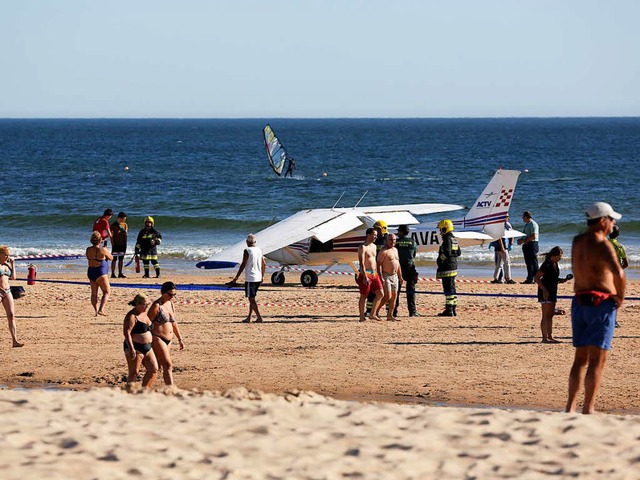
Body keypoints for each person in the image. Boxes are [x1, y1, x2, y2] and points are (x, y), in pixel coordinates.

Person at [566, 202, 625, 414]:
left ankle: (570, 406)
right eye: (611, 220)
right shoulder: (602, 244)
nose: (613, 223)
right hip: (600, 303)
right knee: (597, 362)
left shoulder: (577, 241)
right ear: (602, 221)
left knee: (579, 360)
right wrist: (620, 297)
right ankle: (588, 408)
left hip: (579, 301)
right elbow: (619, 273)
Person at [148, 282, 185, 386]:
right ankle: (171, 389)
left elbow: (173, 322)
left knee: (159, 366)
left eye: (174, 295)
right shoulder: (156, 306)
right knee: (168, 365)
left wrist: (180, 339)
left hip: (168, 339)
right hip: (157, 337)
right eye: (170, 294)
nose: (172, 297)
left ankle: (147, 387)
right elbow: (147, 323)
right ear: (163, 293)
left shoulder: (170, 304)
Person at [534, 246, 571, 343]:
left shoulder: (554, 264)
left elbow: (552, 278)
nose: (560, 259)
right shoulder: (547, 264)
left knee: (550, 315)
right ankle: (544, 337)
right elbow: (537, 278)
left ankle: (549, 336)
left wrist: (562, 280)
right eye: (559, 257)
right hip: (545, 291)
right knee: (545, 315)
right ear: (553, 255)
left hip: (553, 290)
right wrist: (544, 290)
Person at [123, 293, 158, 389]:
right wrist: (131, 348)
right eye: (144, 304)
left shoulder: (144, 314)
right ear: (137, 304)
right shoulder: (131, 316)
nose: (147, 306)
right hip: (136, 346)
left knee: (153, 369)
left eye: (148, 304)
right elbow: (127, 333)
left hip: (147, 347)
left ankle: (144, 390)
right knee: (134, 372)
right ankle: (129, 394)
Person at [231, 234, 267, 323]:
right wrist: (262, 275)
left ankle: (259, 317)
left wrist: (236, 277)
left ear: (247, 242)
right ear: (254, 242)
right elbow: (264, 263)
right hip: (258, 277)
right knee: (252, 298)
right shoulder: (258, 250)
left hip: (251, 277)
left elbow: (243, 264)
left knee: (251, 299)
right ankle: (249, 317)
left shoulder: (247, 250)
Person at [357, 227, 384, 322]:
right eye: (374, 235)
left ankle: (372, 313)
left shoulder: (374, 246)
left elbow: (374, 261)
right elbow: (362, 263)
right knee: (364, 295)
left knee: (380, 293)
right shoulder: (362, 247)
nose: (375, 237)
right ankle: (361, 316)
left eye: (376, 235)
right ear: (368, 235)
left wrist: (378, 273)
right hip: (366, 273)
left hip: (374, 273)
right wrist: (364, 276)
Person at [375, 233, 404, 321]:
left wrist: (400, 276)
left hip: (394, 276)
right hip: (386, 275)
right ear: (387, 240)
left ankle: (390, 315)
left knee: (394, 296)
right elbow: (378, 264)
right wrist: (381, 277)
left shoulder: (395, 250)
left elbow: (398, 264)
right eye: (391, 240)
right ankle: (376, 311)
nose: (392, 241)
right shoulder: (383, 251)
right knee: (387, 296)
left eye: (394, 240)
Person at [436, 219, 461, 317]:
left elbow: (447, 253)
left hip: (447, 268)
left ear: (445, 229)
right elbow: (458, 253)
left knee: (448, 289)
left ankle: (449, 310)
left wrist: (440, 260)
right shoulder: (454, 239)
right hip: (454, 266)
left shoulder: (447, 239)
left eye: (441, 229)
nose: (440, 232)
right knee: (452, 288)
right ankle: (453, 308)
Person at [0, 246, 23, 347]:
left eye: (8, 255)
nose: (7, 257)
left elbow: (13, 277)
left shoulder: (7, 265)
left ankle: (14, 340)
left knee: (11, 315)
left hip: (7, 291)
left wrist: (13, 264)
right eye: (5, 255)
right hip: (0, 290)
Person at [394, 225, 419, 317]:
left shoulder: (396, 242)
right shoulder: (412, 242)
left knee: (396, 291)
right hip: (410, 268)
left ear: (401, 232)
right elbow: (414, 254)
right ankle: (412, 311)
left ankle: (394, 311)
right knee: (411, 291)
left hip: (399, 268)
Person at [86, 231, 113, 316]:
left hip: (91, 271)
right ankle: (101, 309)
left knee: (94, 293)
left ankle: (95, 311)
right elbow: (111, 258)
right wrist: (106, 250)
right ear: (100, 240)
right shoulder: (102, 249)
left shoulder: (88, 249)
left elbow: (88, 257)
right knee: (106, 292)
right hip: (100, 272)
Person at [366, 220, 388, 315]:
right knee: (371, 291)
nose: (376, 232)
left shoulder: (388, 241)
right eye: (374, 229)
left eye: (377, 229)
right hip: (374, 270)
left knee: (387, 292)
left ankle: (390, 311)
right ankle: (369, 310)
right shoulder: (373, 242)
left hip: (385, 270)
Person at [517, 210, 539, 284]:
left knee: (534, 262)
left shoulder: (533, 224)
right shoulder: (527, 224)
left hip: (532, 244)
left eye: (523, 216)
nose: (522, 218)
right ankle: (529, 278)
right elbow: (526, 235)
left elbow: (533, 236)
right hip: (527, 244)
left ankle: (537, 278)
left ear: (526, 217)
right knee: (528, 263)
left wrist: (523, 241)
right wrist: (521, 240)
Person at [110, 211, 128, 278]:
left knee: (121, 259)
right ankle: (113, 273)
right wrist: (112, 244)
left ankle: (120, 273)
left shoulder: (125, 225)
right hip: (115, 244)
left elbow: (126, 235)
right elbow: (111, 236)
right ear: (120, 218)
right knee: (114, 259)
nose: (124, 220)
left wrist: (125, 244)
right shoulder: (113, 225)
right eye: (124, 219)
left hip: (122, 244)